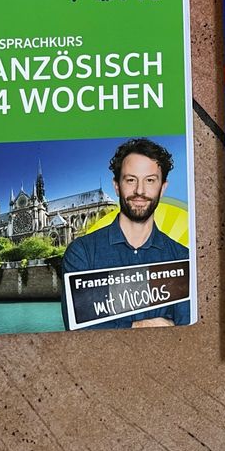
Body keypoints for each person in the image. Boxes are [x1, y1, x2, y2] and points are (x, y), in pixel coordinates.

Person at [61, 138, 190, 329]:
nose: (140, 190)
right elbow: (79, 329)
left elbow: (188, 331)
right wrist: (139, 326)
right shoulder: (82, 252)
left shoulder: (182, 256)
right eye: (130, 180)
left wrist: (110, 324)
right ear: (116, 186)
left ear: (163, 188)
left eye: (150, 180)